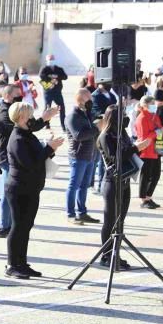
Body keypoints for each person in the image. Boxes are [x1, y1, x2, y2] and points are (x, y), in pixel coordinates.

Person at [5, 102, 65, 279]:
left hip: (31, 188)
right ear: (22, 117)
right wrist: (49, 148)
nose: (33, 119)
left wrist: (50, 149)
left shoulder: (27, 134)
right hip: (19, 189)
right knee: (18, 227)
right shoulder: (17, 138)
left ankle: (21, 263)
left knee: (26, 227)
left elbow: (38, 155)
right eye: (30, 116)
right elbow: (30, 163)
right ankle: (12, 264)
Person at [0, 84, 55, 238]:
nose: (20, 96)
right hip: (8, 157)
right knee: (8, 194)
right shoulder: (4, 113)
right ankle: (3, 226)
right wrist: (43, 119)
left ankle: (9, 224)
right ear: (7, 96)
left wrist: (44, 118)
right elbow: (27, 127)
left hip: (15, 154)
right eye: (17, 94)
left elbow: (29, 127)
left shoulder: (13, 111)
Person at [97, 105, 152, 270]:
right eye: (123, 116)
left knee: (120, 222)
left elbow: (128, 152)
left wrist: (136, 149)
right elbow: (116, 158)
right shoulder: (106, 136)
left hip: (125, 181)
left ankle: (116, 254)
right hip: (112, 183)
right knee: (110, 221)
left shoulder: (122, 133)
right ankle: (106, 256)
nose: (126, 119)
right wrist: (136, 148)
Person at [65, 88, 100, 225]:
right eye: (88, 99)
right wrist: (97, 128)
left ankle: (82, 212)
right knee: (74, 185)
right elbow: (78, 136)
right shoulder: (73, 116)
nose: (91, 101)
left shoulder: (87, 114)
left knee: (84, 185)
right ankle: (70, 213)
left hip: (89, 155)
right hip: (78, 156)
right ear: (80, 100)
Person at [133, 95, 163, 209]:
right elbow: (144, 137)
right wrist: (158, 131)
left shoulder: (154, 116)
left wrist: (160, 132)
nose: (154, 106)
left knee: (156, 175)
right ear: (145, 105)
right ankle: (143, 199)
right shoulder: (141, 118)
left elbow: (159, 130)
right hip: (146, 150)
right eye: (152, 104)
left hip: (157, 148)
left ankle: (148, 196)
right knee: (146, 175)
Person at [39, 54, 69, 129]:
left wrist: (57, 77)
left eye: (52, 59)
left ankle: (63, 125)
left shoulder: (59, 69)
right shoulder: (44, 68)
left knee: (61, 107)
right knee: (47, 107)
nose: (50, 61)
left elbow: (65, 77)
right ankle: (46, 124)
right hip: (48, 92)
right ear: (46, 60)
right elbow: (41, 76)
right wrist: (51, 78)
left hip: (57, 92)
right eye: (49, 59)